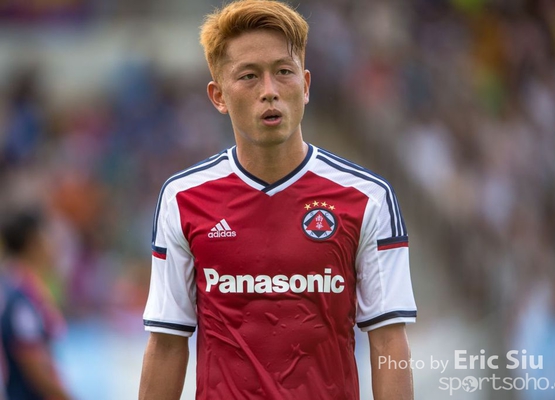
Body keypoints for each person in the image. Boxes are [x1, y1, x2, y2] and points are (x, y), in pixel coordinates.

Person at [139, 1, 417, 399]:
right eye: (249, 76)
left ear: (305, 85)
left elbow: (389, 341)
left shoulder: (367, 198)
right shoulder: (182, 199)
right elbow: (167, 342)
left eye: (284, 72)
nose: (269, 91)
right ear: (218, 96)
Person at [0, 209, 72, 400]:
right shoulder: (19, 297)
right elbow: (34, 369)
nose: (53, 243)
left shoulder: (27, 287)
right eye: (47, 235)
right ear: (34, 242)